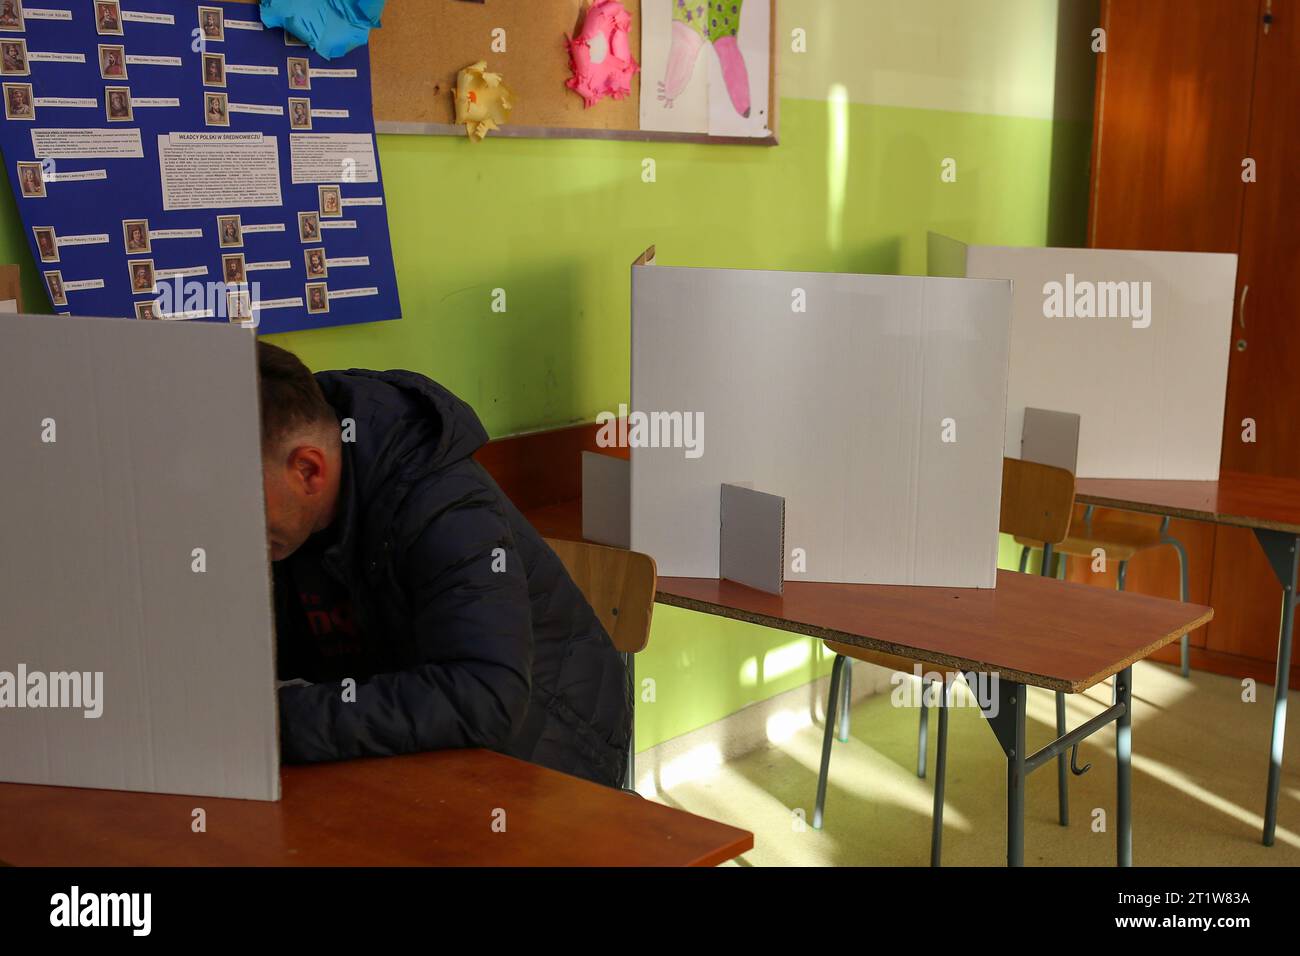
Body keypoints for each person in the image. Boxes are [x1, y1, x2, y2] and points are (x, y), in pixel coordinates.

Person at [257, 343, 631, 786]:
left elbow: (486, 696)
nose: (225, 530)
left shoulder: (443, 501)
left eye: (240, 503)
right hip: (422, 746)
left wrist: (271, 724)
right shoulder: (288, 518)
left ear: (308, 470)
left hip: (549, 751)